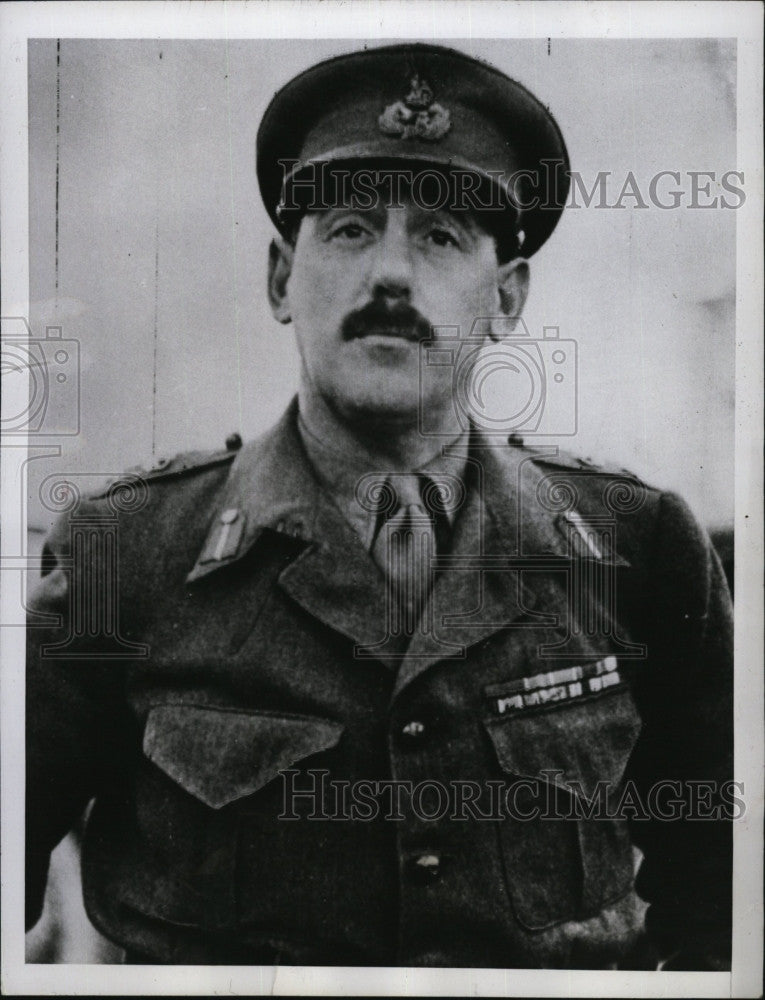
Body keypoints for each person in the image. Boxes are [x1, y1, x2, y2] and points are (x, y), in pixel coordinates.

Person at [25, 42, 733, 969]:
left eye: (440, 236)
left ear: (506, 297)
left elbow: (723, 889)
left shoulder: (633, 548)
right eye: (351, 228)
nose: (392, 275)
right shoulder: (130, 551)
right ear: (282, 279)